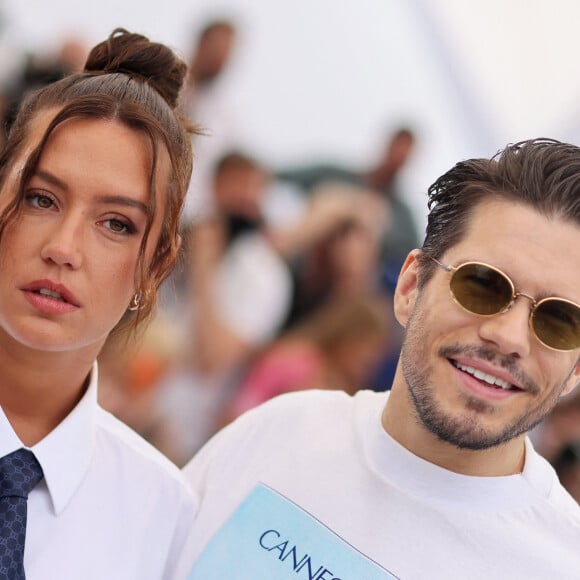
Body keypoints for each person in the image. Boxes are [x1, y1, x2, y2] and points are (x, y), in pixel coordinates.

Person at [181, 138, 580, 579]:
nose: (508, 338)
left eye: (559, 320)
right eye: (482, 285)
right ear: (411, 286)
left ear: (577, 369)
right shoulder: (278, 431)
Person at [0, 28, 198, 578]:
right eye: (41, 199)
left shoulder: (162, 513)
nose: (63, 249)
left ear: (155, 263)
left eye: (116, 224)